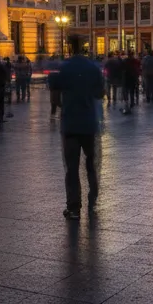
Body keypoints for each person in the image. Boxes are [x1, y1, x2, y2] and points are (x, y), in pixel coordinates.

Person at [49, 39, 105, 220]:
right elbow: (100, 93)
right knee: (92, 163)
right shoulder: (93, 67)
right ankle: (93, 199)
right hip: (89, 123)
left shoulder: (64, 68)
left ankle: (73, 207)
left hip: (70, 124)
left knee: (71, 167)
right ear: (84, 49)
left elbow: (55, 97)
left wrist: (66, 103)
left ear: (70, 49)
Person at [46, 53, 63, 117]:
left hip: (55, 86)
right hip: (55, 86)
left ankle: (54, 113)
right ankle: (53, 113)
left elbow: (51, 76)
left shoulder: (56, 66)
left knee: (55, 101)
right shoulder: (59, 65)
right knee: (54, 101)